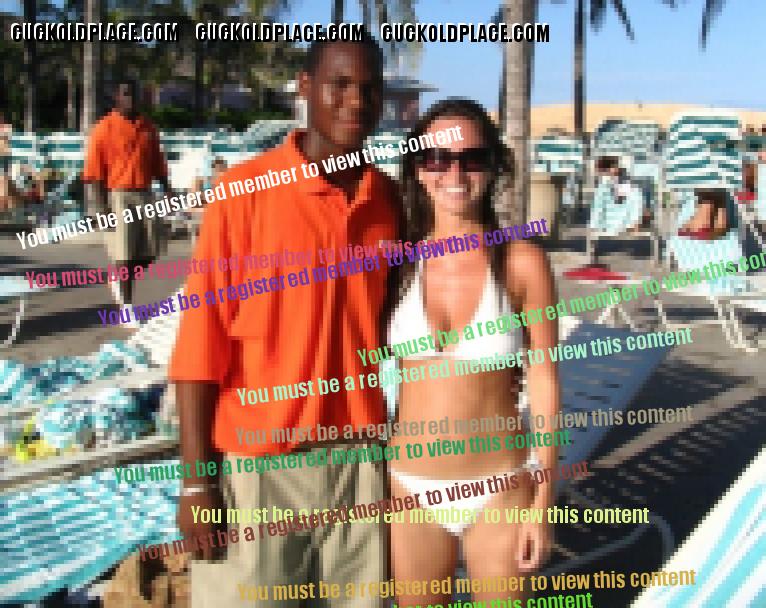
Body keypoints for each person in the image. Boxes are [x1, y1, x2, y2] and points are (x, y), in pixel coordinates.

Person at [168, 32, 400, 608]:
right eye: (339, 84)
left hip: (356, 465)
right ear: (305, 87)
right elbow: (200, 343)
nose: (356, 101)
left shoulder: (388, 202)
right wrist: (196, 482)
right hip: (260, 468)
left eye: (369, 88)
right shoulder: (243, 192)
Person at [384, 99, 560, 606]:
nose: (454, 174)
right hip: (410, 488)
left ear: (494, 165)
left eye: (472, 158)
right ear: (418, 169)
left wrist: (543, 503)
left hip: (499, 487)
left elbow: (545, 381)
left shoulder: (522, 262)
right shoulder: (398, 264)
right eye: (437, 158)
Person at [82, 79, 171, 316]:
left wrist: (168, 188)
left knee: (152, 249)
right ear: (117, 97)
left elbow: (158, 162)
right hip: (119, 195)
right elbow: (94, 173)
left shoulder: (148, 127)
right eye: (126, 94)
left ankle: (119, 281)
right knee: (124, 254)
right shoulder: (104, 128)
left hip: (145, 193)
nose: (131, 99)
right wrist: (103, 210)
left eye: (134, 94)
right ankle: (127, 307)